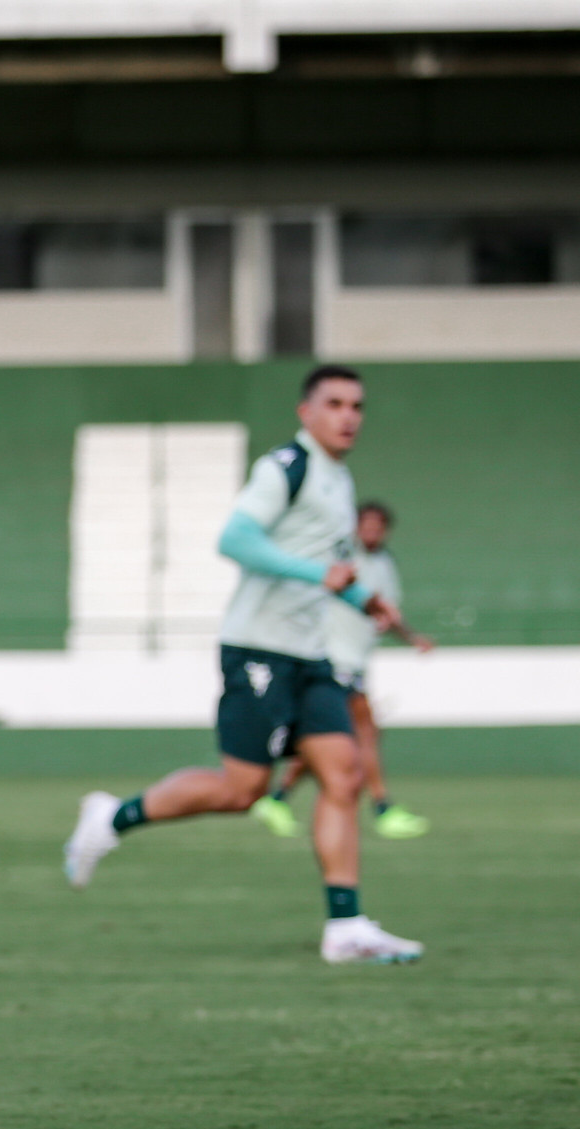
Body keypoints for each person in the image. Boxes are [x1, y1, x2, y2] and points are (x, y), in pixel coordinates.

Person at [62, 365, 426, 965]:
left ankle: (346, 927)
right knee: (241, 791)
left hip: (312, 655)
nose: (348, 416)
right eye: (335, 403)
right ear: (306, 412)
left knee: (344, 776)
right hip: (259, 649)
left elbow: (326, 567)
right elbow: (234, 540)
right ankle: (111, 817)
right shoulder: (287, 467)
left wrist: (365, 599)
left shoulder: (339, 480)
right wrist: (319, 574)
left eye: (357, 406)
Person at [252, 499, 434, 839]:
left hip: (357, 662)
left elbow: (385, 610)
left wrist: (411, 637)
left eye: (378, 526)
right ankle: (382, 808)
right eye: (366, 525)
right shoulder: (342, 557)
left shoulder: (385, 563)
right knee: (365, 732)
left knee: (326, 740)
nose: (372, 532)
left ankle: (276, 799)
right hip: (336, 659)